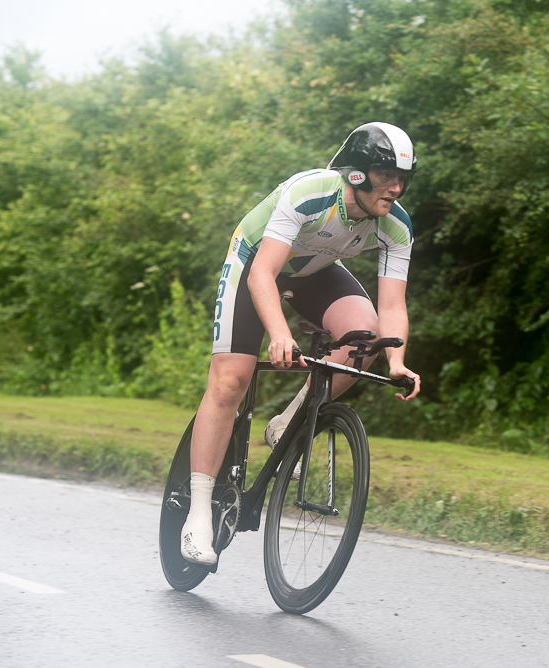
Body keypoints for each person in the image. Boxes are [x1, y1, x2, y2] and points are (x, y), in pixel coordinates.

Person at [180, 122, 422, 566]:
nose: (396, 187)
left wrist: (397, 360)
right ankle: (197, 514)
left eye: (402, 178)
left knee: (366, 340)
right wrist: (279, 333)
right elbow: (262, 274)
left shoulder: (397, 226)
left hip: (315, 271)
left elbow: (392, 306)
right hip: (255, 262)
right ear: (356, 173)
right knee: (231, 381)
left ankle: (286, 423)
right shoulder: (310, 193)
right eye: (386, 175)